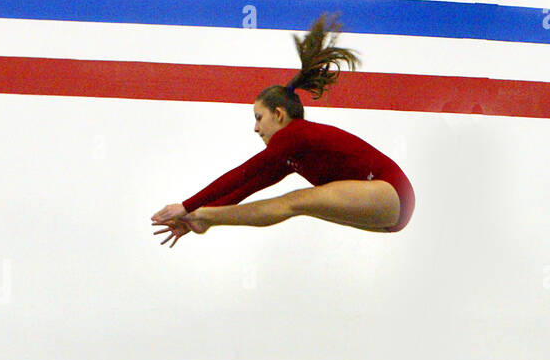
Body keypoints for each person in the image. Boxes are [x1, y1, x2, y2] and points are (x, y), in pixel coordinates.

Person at [151, 13, 415, 245]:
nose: (256, 128)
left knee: (295, 201)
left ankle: (204, 216)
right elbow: (250, 186)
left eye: (259, 117)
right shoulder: (292, 155)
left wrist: (187, 204)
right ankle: (205, 219)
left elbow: (243, 173)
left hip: (390, 193)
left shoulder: (295, 134)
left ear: (278, 114)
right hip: (388, 217)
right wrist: (199, 213)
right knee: (297, 205)